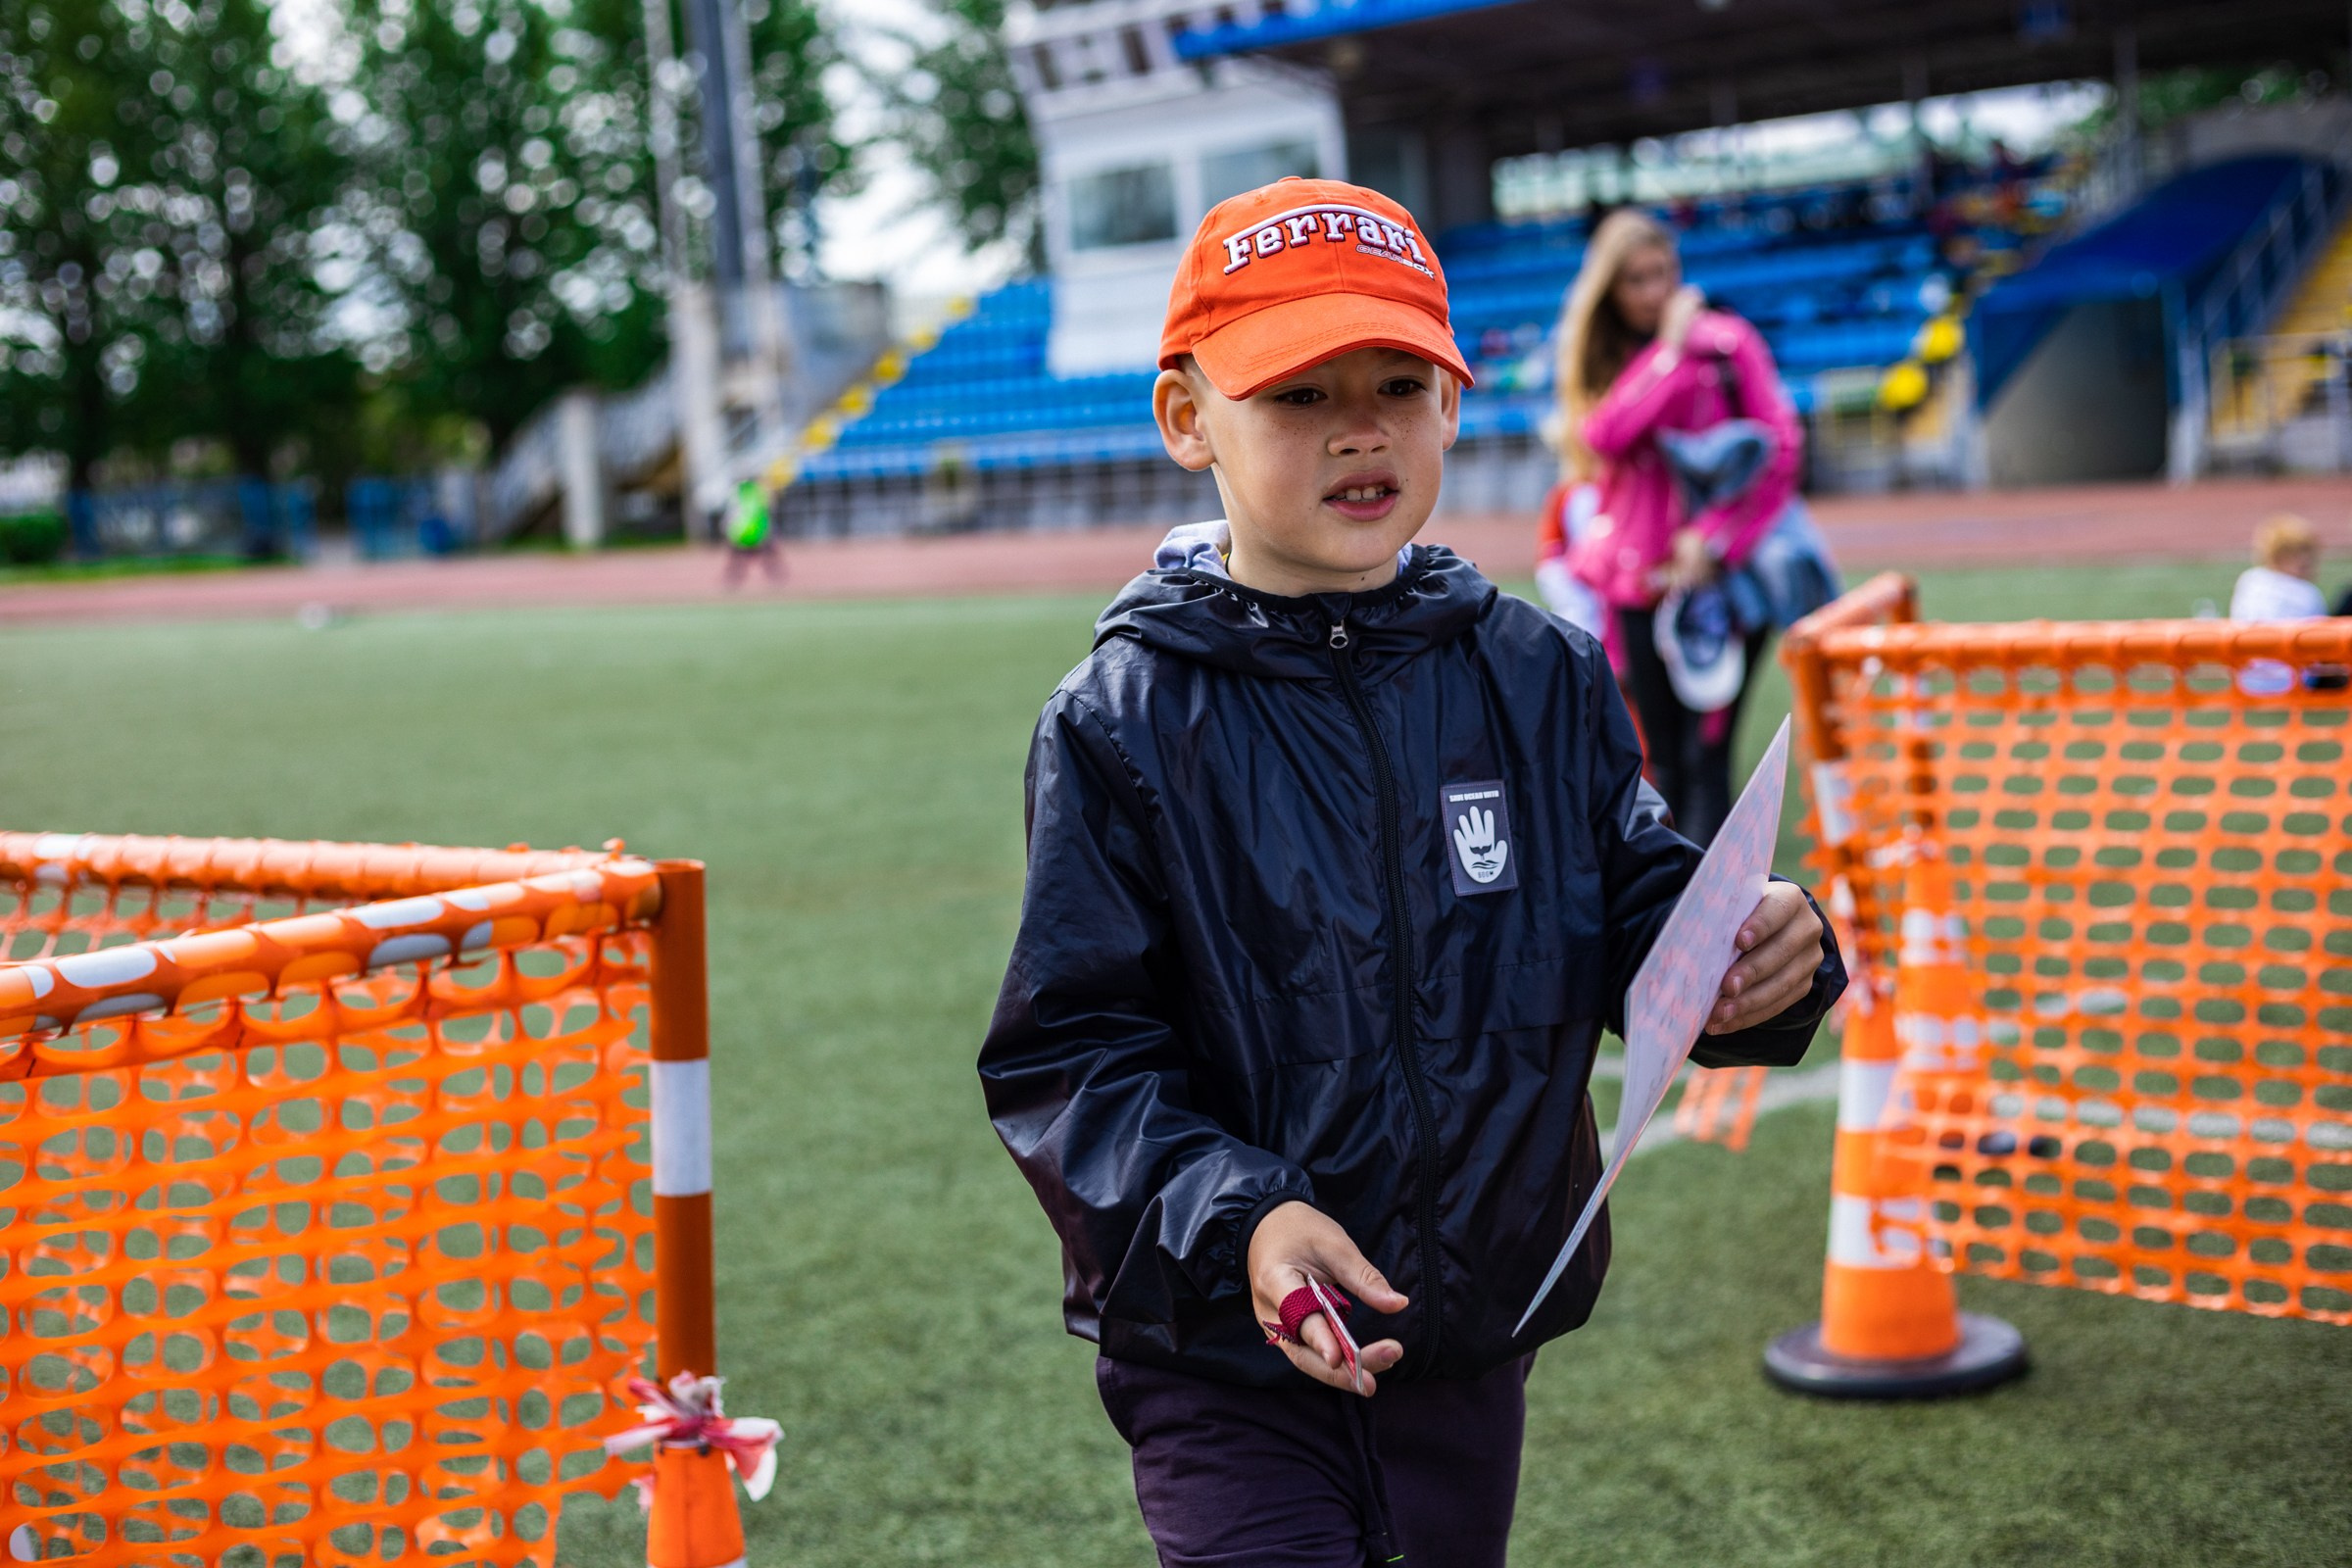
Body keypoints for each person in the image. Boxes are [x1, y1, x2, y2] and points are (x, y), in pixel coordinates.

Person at [979, 178, 1845, 1568]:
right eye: (1300, 396)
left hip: (1470, 1336)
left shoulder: (1538, 670)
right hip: (1227, 1356)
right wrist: (1242, 1221)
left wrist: (1756, 955)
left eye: (1397, 381)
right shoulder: (1118, 721)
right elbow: (1072, 1062)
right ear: (1190, 418)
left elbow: (1634, 911)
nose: (1361, 427)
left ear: (1451, 406)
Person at [1553, 208, 1804, 846]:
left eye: (1664, 273)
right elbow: (1606, 434)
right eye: (1636, 279)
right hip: (1637, 586)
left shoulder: (1727, 344)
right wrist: (1668, 354)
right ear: (1611, 289)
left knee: (1707, 759)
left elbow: (1780, 449)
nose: (1655, 291)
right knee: (1660, 762)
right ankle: (1677, 916)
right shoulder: (1611, 356)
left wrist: (1716, 537)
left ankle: (1711, 923)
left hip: (1723, 587)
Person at [2230, 514, 2328, 621]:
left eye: (2307, 551)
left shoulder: (2249, 579)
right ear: (2276, 555)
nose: (2305, 559)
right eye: (2293, 552)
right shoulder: (2308, 593)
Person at [720, 476, 784, 586]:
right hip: (758, 534)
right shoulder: (760, 493)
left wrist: (728, 531)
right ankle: (776, 576)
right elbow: (769, 510)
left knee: (737, 559)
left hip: (740, 535)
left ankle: (733, 578)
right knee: (768, 556)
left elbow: (729, 518)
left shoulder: (736, 494)